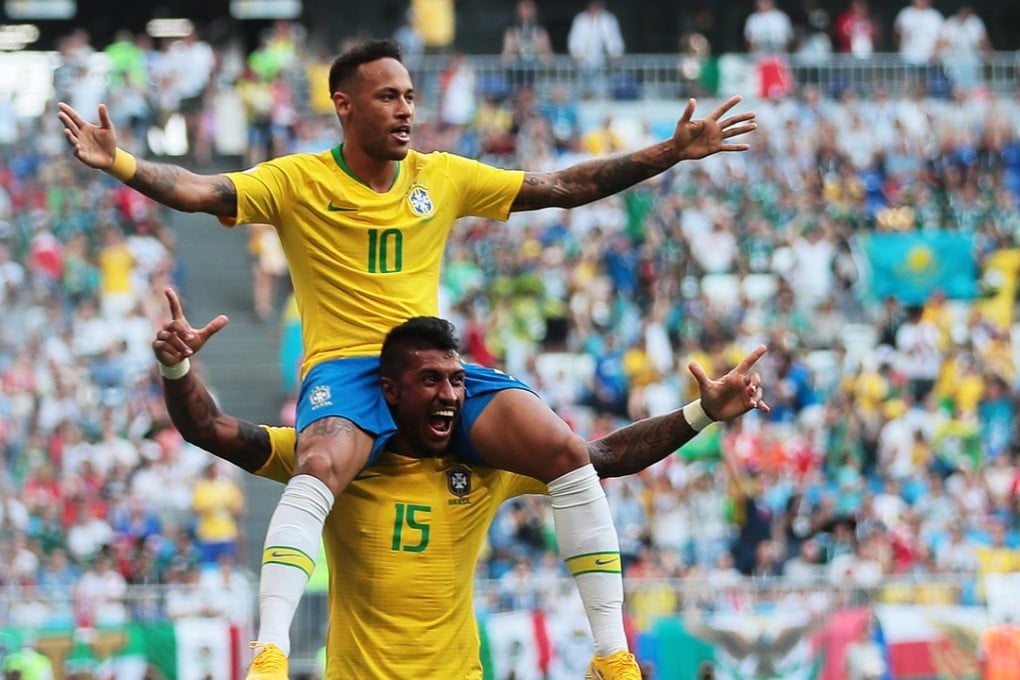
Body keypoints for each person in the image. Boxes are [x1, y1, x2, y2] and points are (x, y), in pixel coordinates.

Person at [59, 38, 757, 680]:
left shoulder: (441, 177)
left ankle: (613, 657)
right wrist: (118, 161)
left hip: (431, 366)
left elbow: (560, 188)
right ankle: (269, 655)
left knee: (568, 451)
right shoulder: (296, 181)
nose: (406, 110)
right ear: (344, 103)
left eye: (412, 97)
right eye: (389, 96)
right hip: (347, 373)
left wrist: (668, 153)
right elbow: (198, 189)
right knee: (319, 466)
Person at [151, 287, 770, 679]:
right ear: (389, 391)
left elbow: (604, 456)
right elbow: (212, 430)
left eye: (456, 380)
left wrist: (704, 413)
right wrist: (178, 366)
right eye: (431, 381)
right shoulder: (334, 458)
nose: (449, 394)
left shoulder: (487, 465)